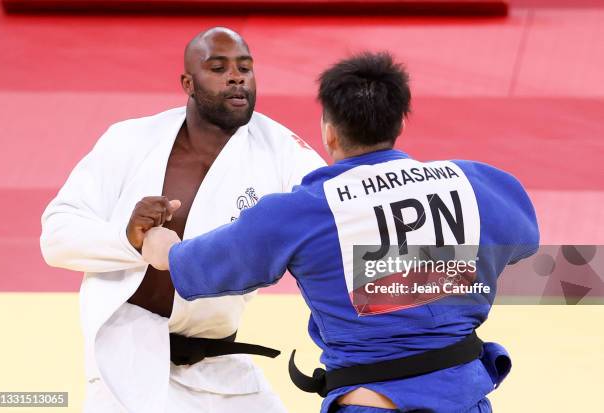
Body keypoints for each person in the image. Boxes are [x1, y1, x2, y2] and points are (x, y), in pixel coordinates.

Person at [142, 52, 540, 413]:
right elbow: (525, 242)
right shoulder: (476, 182)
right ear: (400, 121)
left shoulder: (297, 213)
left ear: (329, 131)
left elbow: (190, 268)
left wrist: (159, 242)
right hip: (465, 400)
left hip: (371, 405)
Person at [40, 27, 325, 413]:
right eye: (218, 67)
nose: (237, 77)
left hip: (219, 358)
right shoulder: (130, 140)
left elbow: (336, 213)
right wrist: (129, 238)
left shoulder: (281, 150)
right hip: (127, 353)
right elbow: (56, 234)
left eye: (245, 67)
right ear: (188, 83)